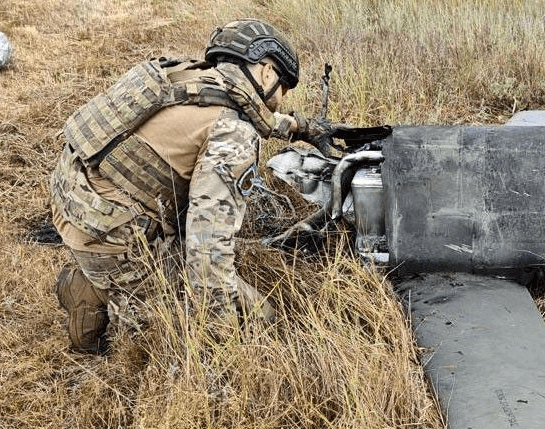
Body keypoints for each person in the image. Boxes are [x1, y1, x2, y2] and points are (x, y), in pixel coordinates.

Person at [50, 19, 333, 353]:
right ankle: (92, 288)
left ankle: (96, 273)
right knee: (249, 319)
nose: (281, 99)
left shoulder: (187, 77)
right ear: (268, 73)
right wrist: (221, 340)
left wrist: (301, 128)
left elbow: (250, 113)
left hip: (72, 203)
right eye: (284, 88)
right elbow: (208, 251)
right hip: (111, 238)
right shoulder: (233, 134)